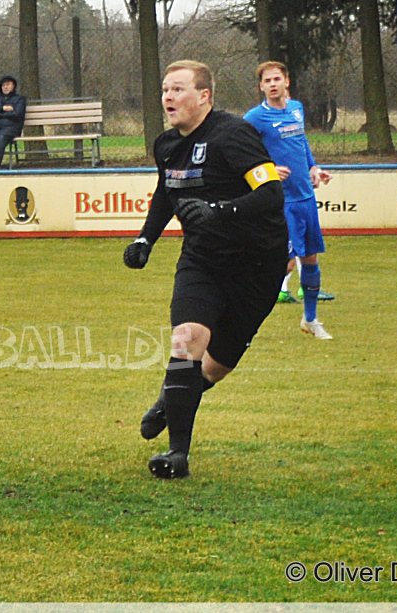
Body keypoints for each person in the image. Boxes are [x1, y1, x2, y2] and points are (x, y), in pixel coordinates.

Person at [121, 60, 287, 479]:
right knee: (186, 340)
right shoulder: (165, 145)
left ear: (205, 96)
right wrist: (145, 239)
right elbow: (165, 193)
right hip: (203, 261)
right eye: (165, 90)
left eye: (178, 89)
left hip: (257, 266)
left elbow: (270, 193)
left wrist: (220, 210)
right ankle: (177, 455)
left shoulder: (234, 135)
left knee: (214, 368)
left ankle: (170, 400)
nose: (168, 97)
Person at [244, 61, 334, 340]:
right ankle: (240, 318)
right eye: (267, 81)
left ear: (287, 81)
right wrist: (268, 169)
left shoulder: (296, 109)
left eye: (276, 79)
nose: (272, 84)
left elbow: (302, 144)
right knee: (282, 263)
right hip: (279, 202)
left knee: (310, 260)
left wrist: (314, 168)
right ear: (261, 86)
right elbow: (242, 153)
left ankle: (310, 319)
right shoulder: (255, 118)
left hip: (305, 198)